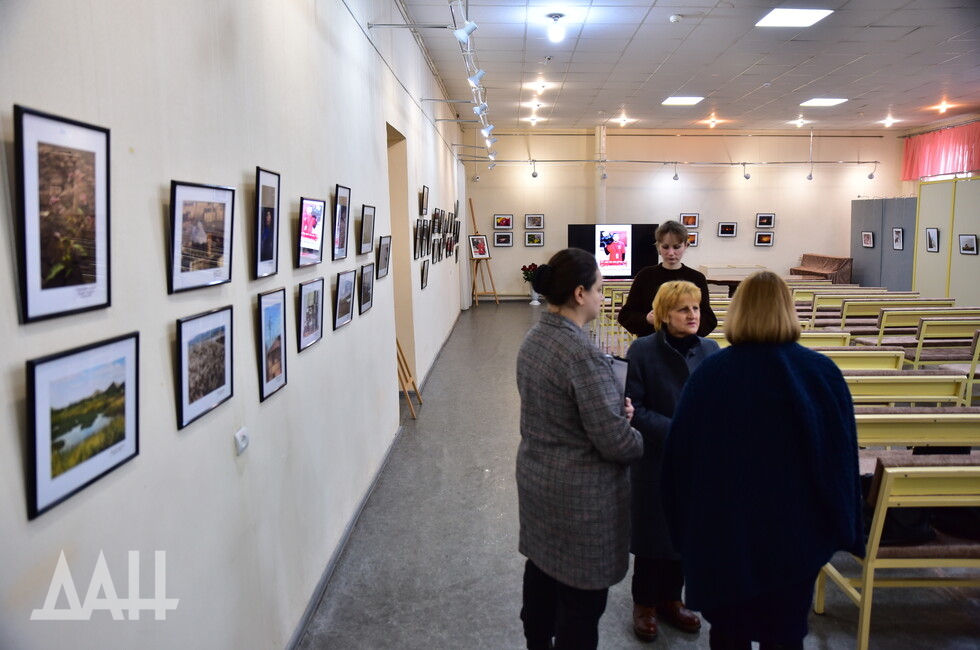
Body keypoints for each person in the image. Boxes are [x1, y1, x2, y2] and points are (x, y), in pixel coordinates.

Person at [661, 271, 864, 650]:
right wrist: (845, 531)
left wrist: (683, 535)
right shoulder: (821, 373)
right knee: (785, 636)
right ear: (789, 309)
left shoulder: (711, 373)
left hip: (725, 537)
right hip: (795, 539)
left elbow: (678, 463)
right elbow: (839, 462)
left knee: (728, 634)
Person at [516, 248, 644, 650]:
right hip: (580, 501)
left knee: (542, 571)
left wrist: (606, 407)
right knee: (580, 605)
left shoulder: (535, 338)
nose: (602, 298)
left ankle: (537, 642)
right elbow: (616, 442)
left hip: (539, 482)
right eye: (599, 290)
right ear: (578, 294)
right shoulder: (582, 354)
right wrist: (631, 427)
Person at [625, 281, 720, 641]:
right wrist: (679, 433)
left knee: (683, 533)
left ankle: (672, 599)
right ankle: (644, 604)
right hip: (656, 456)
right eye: (684, 309)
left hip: (696, 461)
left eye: (695, 308)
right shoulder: (643, 350)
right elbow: (635, 407)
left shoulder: (710, 350)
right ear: (664, 314)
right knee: (652, 535)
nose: (693, 315)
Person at [617, 221, 717, 337]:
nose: (671, 253)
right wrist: (646, 319)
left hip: (686, 347)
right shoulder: (645, 276)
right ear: (658, 246)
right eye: (665, 247)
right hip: (651, 344)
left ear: (686, 245)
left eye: (676, 247)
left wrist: (687, 323)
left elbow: (708, 319)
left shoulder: (697, 278)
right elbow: (627, 315)